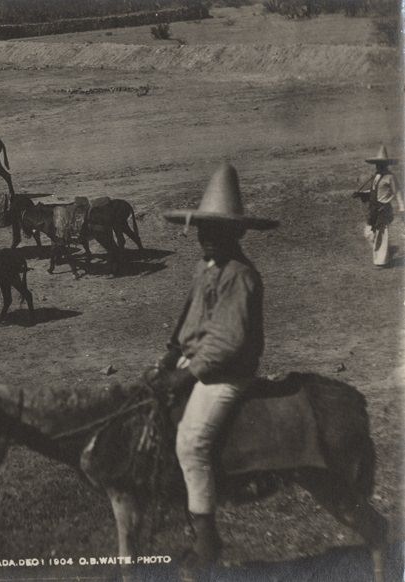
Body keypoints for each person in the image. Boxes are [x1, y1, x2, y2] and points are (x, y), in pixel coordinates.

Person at [154, 163, 278, 574]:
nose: (206, 238)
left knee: (192, 442)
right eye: (202, 229)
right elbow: (188, 317)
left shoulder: (241, 276)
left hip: (226, 372)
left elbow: (229, 341)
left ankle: (209, 544)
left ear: (236, 234)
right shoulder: (205, 269)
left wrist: (187, 373)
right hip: (196, 363)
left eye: (216, 231)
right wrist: (172, 354)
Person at [353, 145, 405, 267]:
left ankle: (381, 262)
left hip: (383, 209)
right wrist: (362, 193)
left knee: (381, 234)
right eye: (377, 164)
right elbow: (373, 191)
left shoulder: (390, 177)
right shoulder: (375, 177)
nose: (379, 166)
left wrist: (402, 207)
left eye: (381, 164)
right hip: (373, 209)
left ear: (386, 165)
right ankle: (389, 250)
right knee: (368, 233)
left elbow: (397, 192)